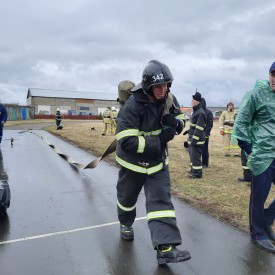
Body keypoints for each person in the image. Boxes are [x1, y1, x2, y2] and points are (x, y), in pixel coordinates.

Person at [115, 60, 190, 265]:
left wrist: (175, 124)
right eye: (158, 86)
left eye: (166, 85)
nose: (162, 89)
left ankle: (165, 248)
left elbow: (181, 119)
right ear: (147, 86)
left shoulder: (169, 99)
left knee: (161, 203)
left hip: (157, 163)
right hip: (132, 163)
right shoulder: (131, 107)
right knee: (127, 199)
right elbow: (127, 142)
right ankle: (126, 224)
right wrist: (159, 140)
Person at [232, 61, 275, 253]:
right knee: (259, 196)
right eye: (274, 75)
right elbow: (240, 125)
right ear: (269, 75)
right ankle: (257, 233)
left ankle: (265, 220)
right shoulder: (256, 95)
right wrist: (251, 150)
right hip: (261, 155)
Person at [185, 91, 206, 178]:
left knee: (196, 157)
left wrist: (194, 140)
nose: (191, 102)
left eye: (193, 100)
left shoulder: (200, 112)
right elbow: (194, 126)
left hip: (197, 140)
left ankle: (197, 174)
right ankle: (193, 171)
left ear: (197, 101)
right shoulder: (196, 111)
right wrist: (188, 131)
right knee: (192, 157)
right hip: (192, 138)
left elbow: (199, 128)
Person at [201, 98, 213, 168]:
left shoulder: (208, 112)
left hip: (205, 134)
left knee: (204, 149)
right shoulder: (197, 111)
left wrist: (206, 134)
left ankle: (205, 163)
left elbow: (209, 124)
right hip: (197, 133)